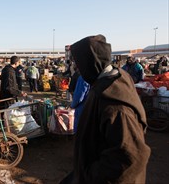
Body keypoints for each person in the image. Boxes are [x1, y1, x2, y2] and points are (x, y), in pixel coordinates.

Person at [60, 35, 150, 184]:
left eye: (78, 63)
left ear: (90, 62)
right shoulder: (106, 82)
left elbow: (130, 156)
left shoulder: (117, 108)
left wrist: (89, 175)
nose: (77, 68)